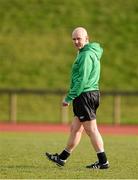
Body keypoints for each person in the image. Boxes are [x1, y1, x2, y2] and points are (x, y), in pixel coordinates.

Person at [45, 27, 109, 169]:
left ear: (87, 38)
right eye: (73, 39)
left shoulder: (86, 55)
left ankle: (103, 161)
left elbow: (82, 80)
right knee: (75, 128)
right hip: (88, 94)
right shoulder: (86, 52)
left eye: (78, 38)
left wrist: (69, 97)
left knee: (91, 129)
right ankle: (62, 158)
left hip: (84, 95)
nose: (76, 41)